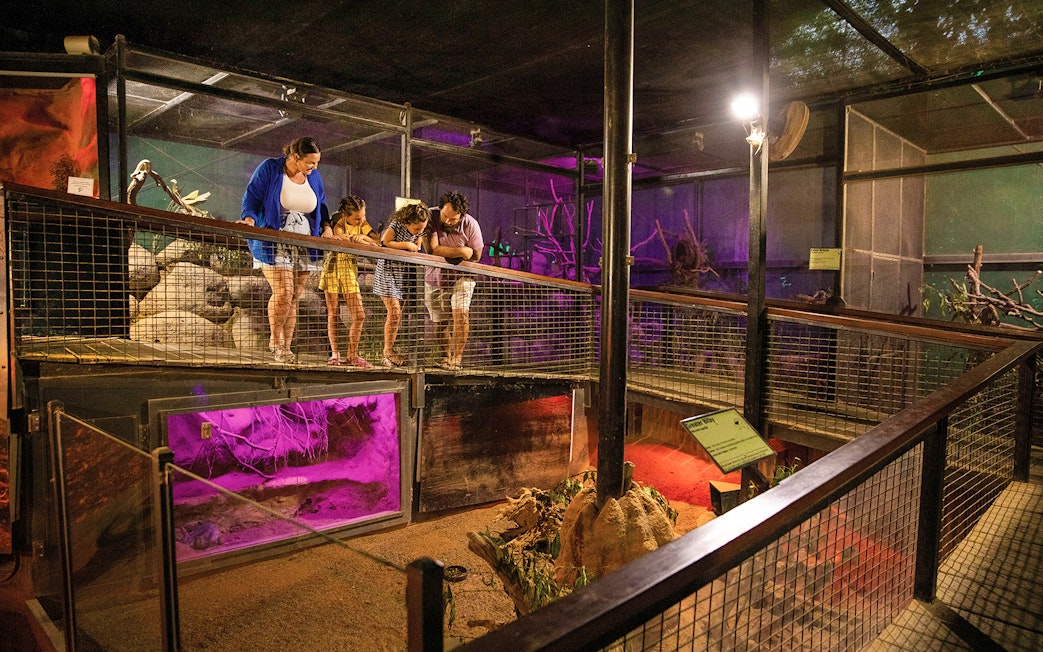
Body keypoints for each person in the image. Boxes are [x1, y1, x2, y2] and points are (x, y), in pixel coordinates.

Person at [238, 136, 328, 363]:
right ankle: (275, 341)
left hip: (305, 243)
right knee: (284, 292)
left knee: (294, 296)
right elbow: (252, 196)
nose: (314, 168)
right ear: (295, 157)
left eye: (316, 163)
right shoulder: (270, 168)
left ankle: (286, 348)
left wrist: (326, 227)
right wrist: (249, 219)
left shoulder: (313, 176)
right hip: (274, 239)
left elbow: (322, 204)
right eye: (310, 162)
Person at [423, 191, 484, 370]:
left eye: (454, 219)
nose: (448, 222)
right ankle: (445, 357)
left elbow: (477, 255)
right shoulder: (431, 216)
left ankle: (456, 359)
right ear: (440, 209)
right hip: (434, 275)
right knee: (439, 321)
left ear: (461, 216)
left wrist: (460, 253)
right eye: (445, 216)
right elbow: (431, 249)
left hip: (461, 276)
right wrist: (461, 251)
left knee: (461, 315)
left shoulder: (471, 224)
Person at [318, 195, 379, 368]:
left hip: (350, 269)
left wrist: (364, 238)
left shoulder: (363, 225)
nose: (361, 221)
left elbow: (377, 242)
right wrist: (353, 238)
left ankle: (352, 355)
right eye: (357, 218)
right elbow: (338, 235)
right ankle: (335, 354)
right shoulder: (338, 219)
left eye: (363, 217)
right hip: (334, 266)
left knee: (359, 314)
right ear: (345, 216)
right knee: (333, 313)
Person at [373, 201, 429, 367]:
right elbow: (385, 241)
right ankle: (388, 351)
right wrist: (406, 245)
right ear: (407, 222)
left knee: (397, 314)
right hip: (388, 271)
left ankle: (389, 351)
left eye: (422, 229)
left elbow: (418, 244)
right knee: (395, 311)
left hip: (401, 274)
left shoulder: (418, 231)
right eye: (417, 229)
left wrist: (416, 241)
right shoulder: (397, 225)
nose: (420, 232)